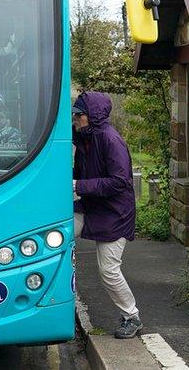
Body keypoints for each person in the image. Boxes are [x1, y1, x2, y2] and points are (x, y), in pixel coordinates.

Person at [72, 91, 141, 339]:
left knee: (109, 270)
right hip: (93, 207)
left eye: (78, 115)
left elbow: (119, 181)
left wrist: (79, 186)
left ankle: (132, 317)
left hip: (115, 214)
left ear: (92, 116)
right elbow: (79, 171)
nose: (75, 119)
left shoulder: (111, 140)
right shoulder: (85, 139)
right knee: (58, 230)